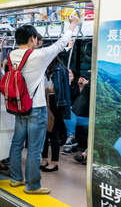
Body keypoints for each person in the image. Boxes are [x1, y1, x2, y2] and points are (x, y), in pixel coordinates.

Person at [8, 15, 78, 195]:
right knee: (34, 149)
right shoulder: (37, 56)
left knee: (17, 143)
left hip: (18, 106)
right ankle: (32, 185)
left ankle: (15, 178)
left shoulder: (11, 55)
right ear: (32, 39)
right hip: (36, 108)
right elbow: (60, 45)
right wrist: (72, 25)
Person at [41, 58, 62, 172]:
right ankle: (44, 159)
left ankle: (54, 162)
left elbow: (60, 91)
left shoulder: (59, 70)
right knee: (44, 133)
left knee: (54, 134)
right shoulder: (45, 70)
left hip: (54, 103)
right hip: (45, 101)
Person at [62, 75, 90, 155]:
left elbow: (86, 103)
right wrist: (80, 87)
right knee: (68, 112)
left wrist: (86, 87)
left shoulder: (89, 89)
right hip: (75, 117)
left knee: (69, 113)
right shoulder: (75, 89)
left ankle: (71, 140)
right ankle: (71, 138)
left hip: (87, 119)